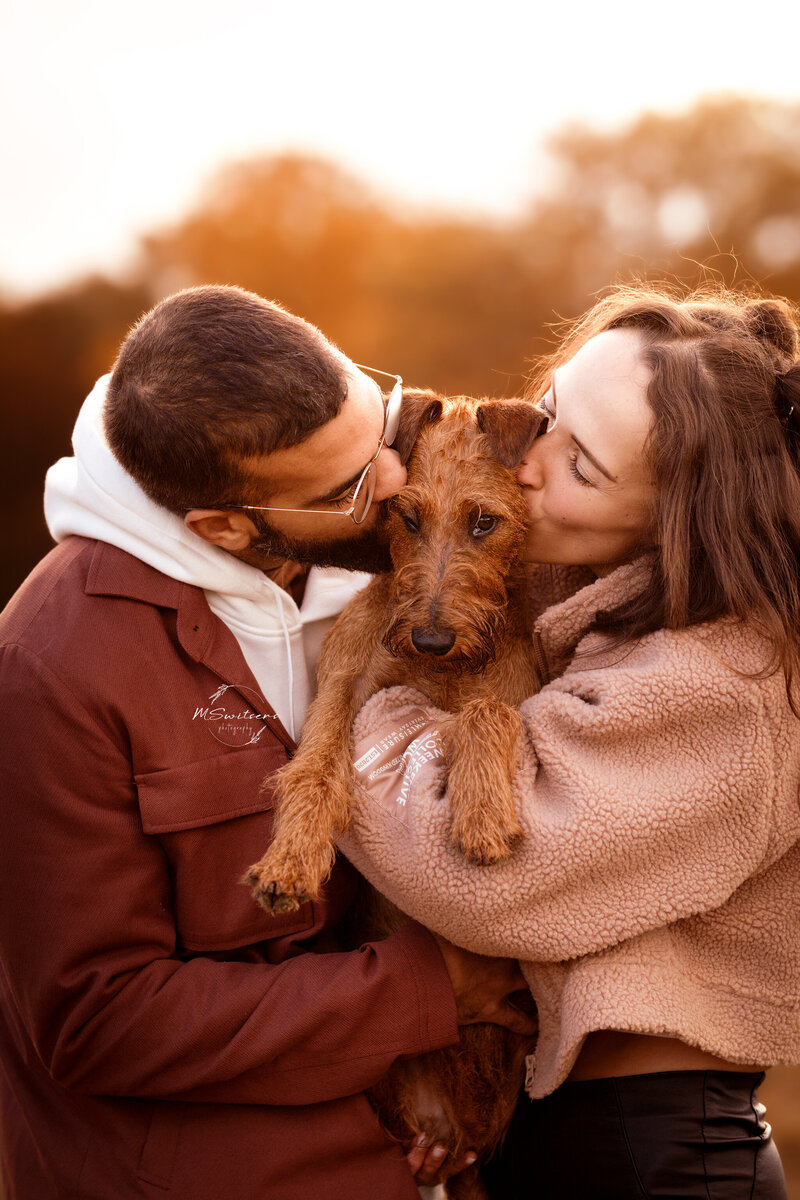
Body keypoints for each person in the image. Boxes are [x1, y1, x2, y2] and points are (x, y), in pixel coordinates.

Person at [0, 284, 535, 1200]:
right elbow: (98, 1020)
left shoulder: (349, 527)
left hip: (421, 1142)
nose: (399, 479)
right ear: (226, 527)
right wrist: (424, 992)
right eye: (357, 485)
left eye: (381, 425)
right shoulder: (53, 666)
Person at [341, 285, 800, 1198]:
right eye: (549, 411)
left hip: (652, 1156)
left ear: (681, 519)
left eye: (583, 466)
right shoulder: (577, 602)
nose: (526, 463)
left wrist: (369, 692)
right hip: (563, 1134)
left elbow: (470, 869)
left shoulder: (730, 681)